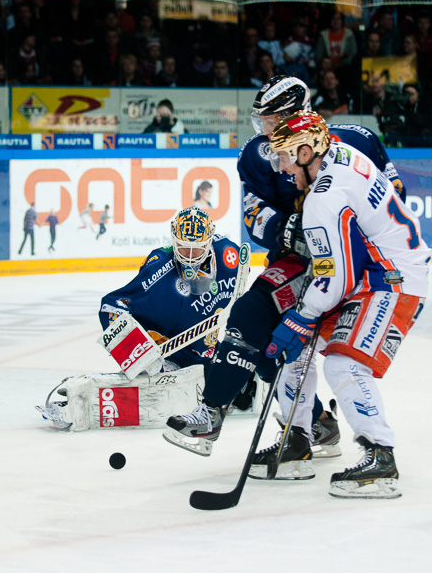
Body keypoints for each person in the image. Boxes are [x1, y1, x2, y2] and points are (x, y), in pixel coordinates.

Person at [166, 75, 404, 460]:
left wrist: (343, 231)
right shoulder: (257, 155)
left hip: (354, 260)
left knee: (256, 318)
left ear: (298, 116)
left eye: (270, 120)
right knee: (267, 340)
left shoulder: (357, 141)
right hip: (298, 260)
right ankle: (313, 426)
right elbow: (253, 214)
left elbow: (393, 197)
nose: (263, 130)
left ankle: (217, 412)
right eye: (261, 120)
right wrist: (293, 231)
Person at [261, 110, 430, 498]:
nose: (282, 168)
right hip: (372, 271)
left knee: (344, 362)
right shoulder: (341, 155)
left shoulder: (323, 198)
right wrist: (303, 321)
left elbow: (332, 277)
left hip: (393, 278)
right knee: (298, 349)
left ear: (306, 151)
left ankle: (380, 458)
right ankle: (297, 439)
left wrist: (303, 316)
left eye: (285, 156)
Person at [100, 208, 240, 376]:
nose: (189, 256)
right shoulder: (159, 267)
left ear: (210, 240)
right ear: (174, 238)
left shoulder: (229, 254)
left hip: (205, 352)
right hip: (168, 357)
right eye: (183, 247)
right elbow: (110, 308)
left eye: (196, 249)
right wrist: (137, 357)